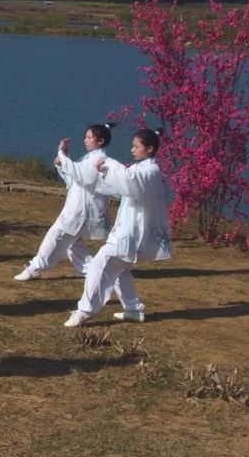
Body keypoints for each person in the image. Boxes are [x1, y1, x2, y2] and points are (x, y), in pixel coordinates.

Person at [64, 128, 172, 328]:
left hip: (131, 232)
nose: (132, 149)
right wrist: (105, 171)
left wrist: (110, 164)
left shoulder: (150, 171)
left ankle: (84, 311)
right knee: (120, 270)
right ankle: (133, 309)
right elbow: (121, 187)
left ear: (149, 149)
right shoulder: (142, 169)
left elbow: (130, 183)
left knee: (99, 265)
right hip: (127, 230)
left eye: (136, 146)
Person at [15, 124, 114, 281]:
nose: (85, 140)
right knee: (72, 243)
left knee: (56, 235)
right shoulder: (89, 158)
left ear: (100, 141)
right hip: (77, 206)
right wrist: (61, 163)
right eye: (85, 137)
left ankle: (35, 267)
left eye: (89, 137)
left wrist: (62, 155)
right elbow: (74, 178)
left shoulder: (99, 160)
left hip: (81, 210)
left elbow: (82, 176)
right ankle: (90, 269)